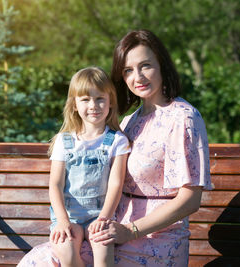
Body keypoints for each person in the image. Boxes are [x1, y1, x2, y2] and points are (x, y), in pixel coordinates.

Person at [18, 29, 212, 267]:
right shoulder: (129, 122)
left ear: (162, 65)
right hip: (111, 231)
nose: (137, 77)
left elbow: (190, 200)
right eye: (128, 70)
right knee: (43, 258)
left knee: (45, 262)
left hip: (155, 240)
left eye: (146, 66)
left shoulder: (183, 118)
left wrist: (131, 231)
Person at [45, 66, 130, 267]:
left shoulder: (117, 141)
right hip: (69, 216)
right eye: (85, 99)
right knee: (67, 252)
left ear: (110, 102)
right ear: (74, 104)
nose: (93, 105)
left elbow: (115, 185)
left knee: (103, 255)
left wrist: (104, 218)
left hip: (100, 215)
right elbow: (55, 185)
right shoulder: (64, 141)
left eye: (100, 98)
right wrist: (62, 220)